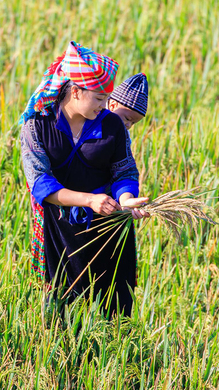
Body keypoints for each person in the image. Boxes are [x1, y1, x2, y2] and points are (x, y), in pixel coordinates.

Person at [19, 41, 149, 317]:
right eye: (100, 99)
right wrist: (89, 200)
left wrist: (126, 198)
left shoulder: (111, 125)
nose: (105, 107)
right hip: (60, 228)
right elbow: (41, 184)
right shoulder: (37, 127)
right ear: (76, 92)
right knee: (62, 305)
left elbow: (124, 170)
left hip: (108, 225)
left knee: (113, 308)